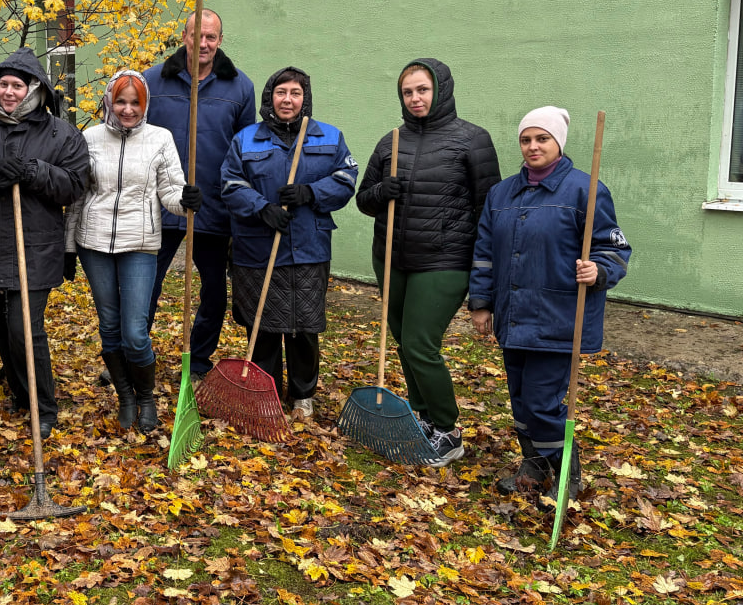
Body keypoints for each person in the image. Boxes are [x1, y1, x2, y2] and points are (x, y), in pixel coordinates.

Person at [469, 106, 631, 499]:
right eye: (526, 139)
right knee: (522, 402)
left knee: (542, 403)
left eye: (542, 138)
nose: (532, 146)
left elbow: (614, 246)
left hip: (558, 318)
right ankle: (534, 465)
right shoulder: (501, 193)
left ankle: (565, 472)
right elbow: (485, 252)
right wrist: (481, 302)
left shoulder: (585, 191)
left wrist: (600, 270)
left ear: (558, 142)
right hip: (513, 317)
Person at [354, 58, 501, 464]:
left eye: (422, 89)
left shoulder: (472, 140)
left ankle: (448, 429)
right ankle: (424, 419)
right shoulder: (391, 142)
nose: (415, 98)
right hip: (391, 258)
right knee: (404, 342)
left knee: (421, 343)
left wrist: (483, 278)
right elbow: (364, 200)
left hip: (444, 260)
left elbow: (490, 210)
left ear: (441, 89)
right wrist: (383, 190)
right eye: (408, 92)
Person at [0, 48, 88, 439]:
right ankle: (19, 392)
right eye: (3, 85)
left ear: (34, 90)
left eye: (17, 85)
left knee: (26, 328)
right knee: (0, 325)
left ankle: (43, 406)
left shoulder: (61, 133)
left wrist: (33, 171)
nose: (8, 92)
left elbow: (74, 185)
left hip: (37, 248)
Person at [65, 70, 201, 433]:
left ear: (145, 104)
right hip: (93, 244)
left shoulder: (160, 139)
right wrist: (68, 247)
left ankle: (146, 397)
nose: (127, 110)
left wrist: (185, 199)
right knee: (109, 327)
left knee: (135, 332)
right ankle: (125, 396)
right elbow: (78, 195)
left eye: (135, 102)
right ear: (109, 100)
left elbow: (170, 193)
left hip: (140, 244)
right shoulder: (90, 137)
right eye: (120, 101)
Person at [222, 68, 357, 412]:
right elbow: (231, 184)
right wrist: (261, 208)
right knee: (262, 326)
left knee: (304, 327)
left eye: (295, 93)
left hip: (308, 250)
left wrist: (312, 191)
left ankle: (303, 394)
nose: (288, 99)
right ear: (270, 97)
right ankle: (264, 394)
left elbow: (345, 178)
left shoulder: (327, 137)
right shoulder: (247, 139)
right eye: (281, 92)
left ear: (304, 98)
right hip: (258, 249)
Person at [144, 8, 256, 384]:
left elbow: (246, 150)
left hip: (213, 206)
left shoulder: (240, 87)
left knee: (213, 289)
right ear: (185, 36)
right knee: (146, 284)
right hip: (160, 204)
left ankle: (199, 358)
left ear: (220, 41)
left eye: (212, 37)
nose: (204, 43)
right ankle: (136, 352)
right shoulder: (153, 81)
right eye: (197, 35)